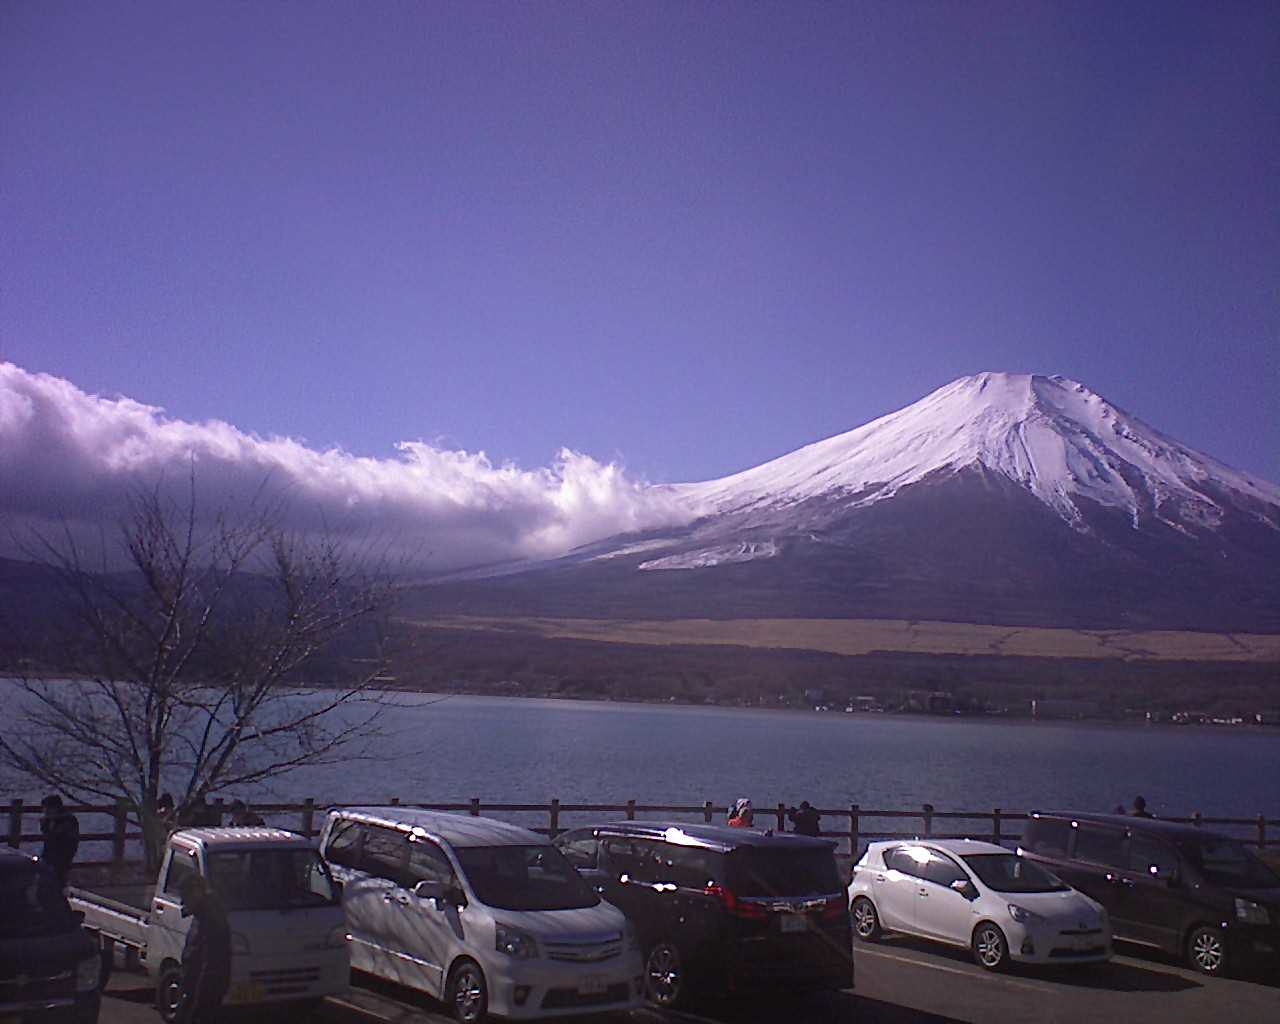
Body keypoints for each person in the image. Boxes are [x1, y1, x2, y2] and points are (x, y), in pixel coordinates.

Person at [176, 874, 231, 1024]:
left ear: (196, 892)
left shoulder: (211, 918)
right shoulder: (202, 915)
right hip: (195, 989)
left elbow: (211, 963)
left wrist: (198, 1001)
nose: (183, 902)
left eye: (185, 896)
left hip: (204, 993)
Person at [39, 795, 80, 888]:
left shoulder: (68, 820)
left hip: (63, 853)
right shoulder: (49, 820)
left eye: (47, 808)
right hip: (49, 853)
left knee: (59, 875)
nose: (45, 810)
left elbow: (58, 837)